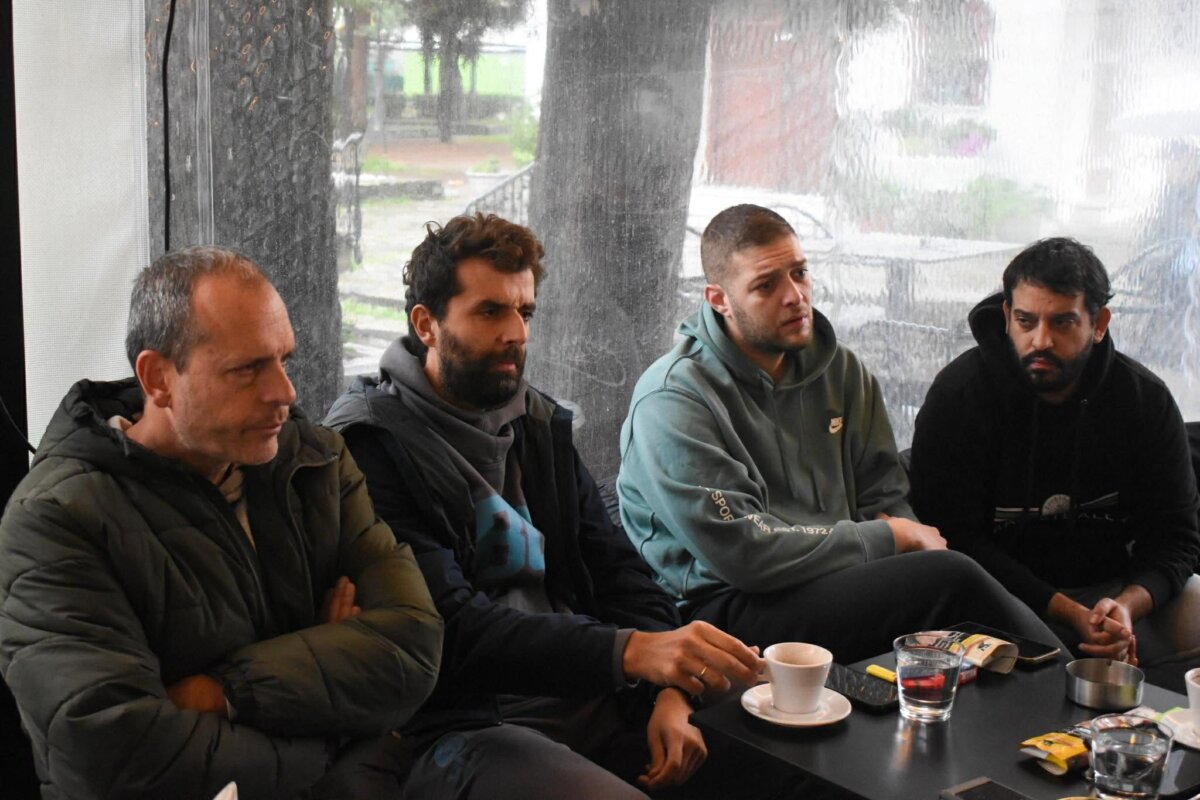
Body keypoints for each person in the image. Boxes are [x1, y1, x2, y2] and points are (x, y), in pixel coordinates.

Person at [324, 213, 772, 800]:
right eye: (490, 312)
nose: (516, 333)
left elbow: (621, 572)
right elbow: (450, 630)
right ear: (426, 324)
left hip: (593, 690)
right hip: (464, 723)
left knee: (790, 759)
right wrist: (633, 653)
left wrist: (670, 691)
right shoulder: (370, 446)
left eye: (525, 312)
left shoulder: (535, 421)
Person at [0, 247, 443, 799]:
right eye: (247, 369)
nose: (285, 393)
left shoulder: (315, 462)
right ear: (157, 378)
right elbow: (114, 756)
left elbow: (412, 648)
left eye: (284, 359)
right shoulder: (58, 519)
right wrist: (337, 724)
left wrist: (221, 691)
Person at [618, 204, 1063, 662]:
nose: (794, 296)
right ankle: (1075, 685)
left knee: (958, 627)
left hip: (835, 579)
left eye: (800, 273)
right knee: (953, 579)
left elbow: (884, 496)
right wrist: (891, 538)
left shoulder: (841, 370)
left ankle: (1058, 689)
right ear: (719, 299)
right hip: (723, 611)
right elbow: (746, 555)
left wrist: (901, 538)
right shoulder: (673, 399)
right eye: (766, 285)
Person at [909, 236, 1200, 689]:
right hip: (995, 600)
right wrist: (1066, 611)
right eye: (1026, 321)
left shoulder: (1144, 401)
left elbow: (1176, 537)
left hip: (1109, 596)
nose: (1040, 340)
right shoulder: (959, 398)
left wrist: (1126, 607)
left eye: (1062, 322)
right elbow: (953, 542)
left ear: (1098, 324)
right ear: (1007, 315)